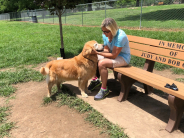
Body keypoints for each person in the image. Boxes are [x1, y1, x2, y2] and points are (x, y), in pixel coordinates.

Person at [88, 18, 131, 100]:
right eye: (103, 31)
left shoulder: (121, 36)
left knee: (101, 63)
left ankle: (104, 89)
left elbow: (114, 55)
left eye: (107, 31)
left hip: (123, 58)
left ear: (113, 29)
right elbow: (107, 50)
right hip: (112, 54)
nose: (104, 33)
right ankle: (95, 80)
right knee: (92, 57)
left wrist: (98, 53)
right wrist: (95, 51)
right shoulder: (105, 35)